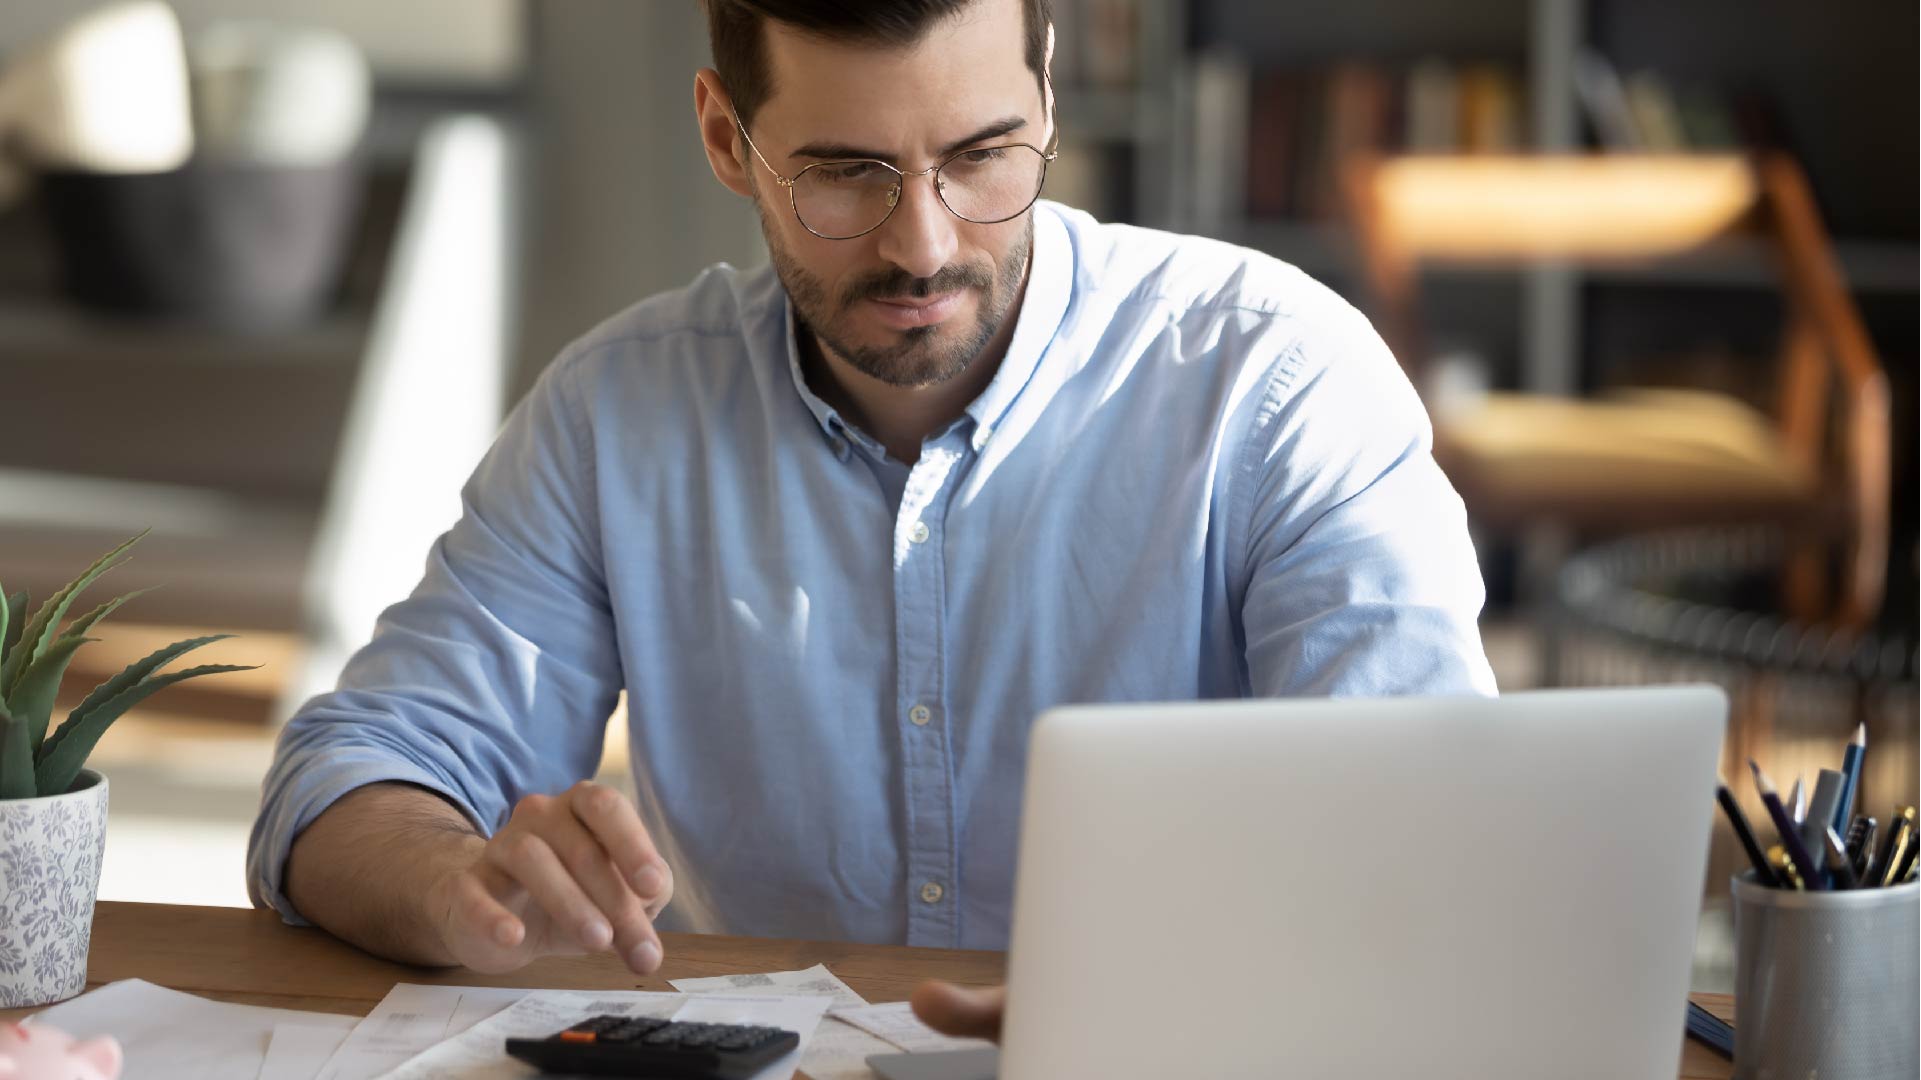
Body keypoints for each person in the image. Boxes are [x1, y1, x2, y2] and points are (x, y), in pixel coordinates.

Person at [246, 0, 1495, 997]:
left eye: (983, 158)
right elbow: (346, 775)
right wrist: (459, 879)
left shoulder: (1274, 380)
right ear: (727, 140)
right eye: (846, 175)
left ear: (1048, 97)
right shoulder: (617, 411)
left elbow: (1433, 830)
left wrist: (1160, 996)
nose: (925, 244)